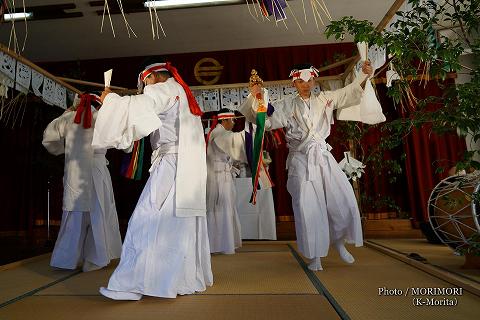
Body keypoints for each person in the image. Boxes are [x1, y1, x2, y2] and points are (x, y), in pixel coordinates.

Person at [93, 59, 212, 300]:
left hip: (172, 164)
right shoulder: (182, 93)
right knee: (179, 224)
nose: (144, 86)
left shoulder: (162, 88)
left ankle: (133, 283)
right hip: (190, 165)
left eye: (145, 81)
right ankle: (181, 280)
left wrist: (111, 102)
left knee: (146, 219)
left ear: (153, 76)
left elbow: (142, 106)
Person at [240, 61, 373, 271]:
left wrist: (363, 76)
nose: (305, 85)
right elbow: (265, 122)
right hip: (301, 159)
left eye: (308, 80)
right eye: (300, 81)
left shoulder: (325, 98)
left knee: (342, 199)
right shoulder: (286, 105)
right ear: (294, 83)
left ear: (314, 80)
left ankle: (339, 243)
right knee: (308, 206)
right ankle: (315, 255)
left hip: (323, 156)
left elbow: (348, 93)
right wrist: (257, 98)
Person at [42, 92, 122, 272]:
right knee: (98, 212)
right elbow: (121, 142)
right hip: (97, 169)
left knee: (74, 215)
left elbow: (48, 138)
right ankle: (96, 259)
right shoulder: (102, 117)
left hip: (75, 170)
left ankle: (66, 259)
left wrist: (64, 150)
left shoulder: (68, 118)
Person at [206, 108, 247, 254]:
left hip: (221, 175)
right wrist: (251, 131)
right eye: (232, 119)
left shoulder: (216, 132)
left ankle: (222, 243)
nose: (234, 122)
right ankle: (220, 245)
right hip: (218, 177)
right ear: (224, 120)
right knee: (221, 208)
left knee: (223, 208)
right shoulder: (220, 133)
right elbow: (235, 146)